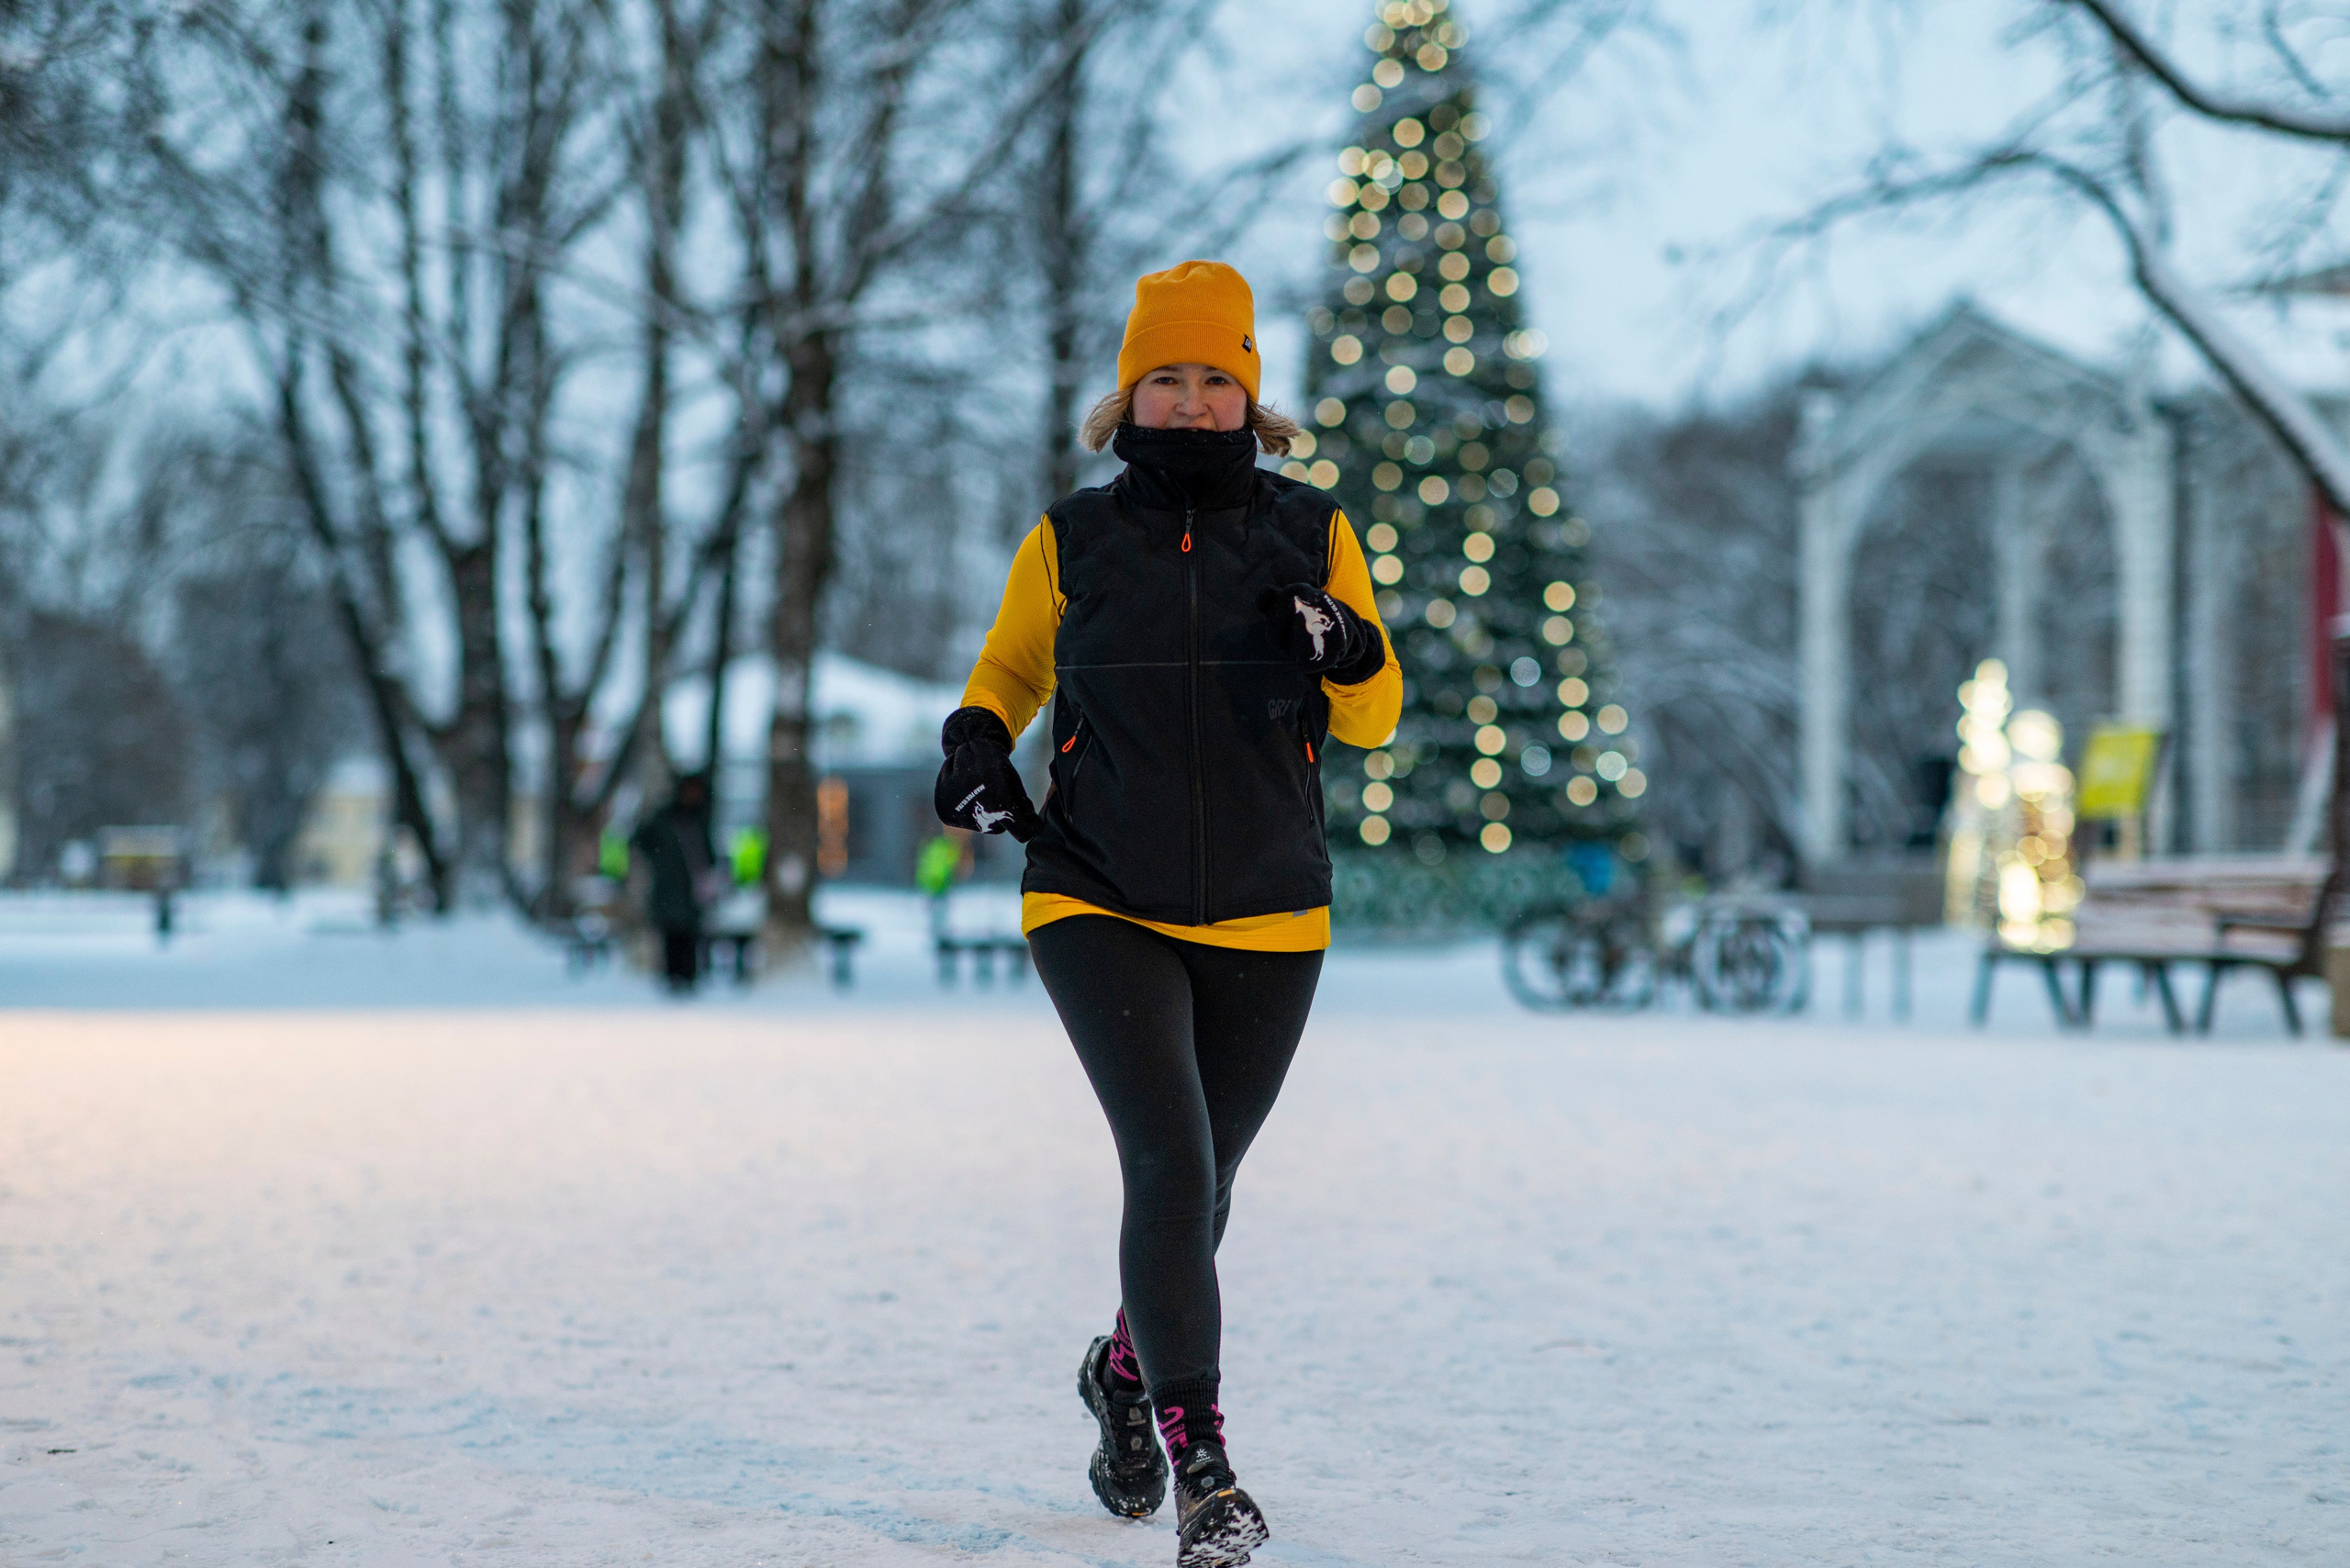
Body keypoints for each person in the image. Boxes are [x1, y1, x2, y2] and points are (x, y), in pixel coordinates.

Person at [935, 261, 1401, 1566]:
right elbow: (1014, 666)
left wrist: (1349, 653)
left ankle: (1123, 1374)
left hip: (1268, 910)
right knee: (1171, 1163)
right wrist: (978, 740)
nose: (1191, 401)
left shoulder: (1314, 531)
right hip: (1097, 892)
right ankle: (1205, 1464)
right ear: (1130, 389)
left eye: (1216, 379)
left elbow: (1375, 710)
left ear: (1249, 398)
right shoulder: (1071, 538)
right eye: (1168, 376)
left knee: (1206, 1190)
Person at [631, 773, 718, 993]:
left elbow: (708, 855)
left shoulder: (700, 819)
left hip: (691, 893)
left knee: (690, 936)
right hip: (668, 890)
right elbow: (640, 840)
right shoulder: (665, 819)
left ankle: (689, 978)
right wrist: (659, 862)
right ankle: (672, 980)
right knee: (671, 935)